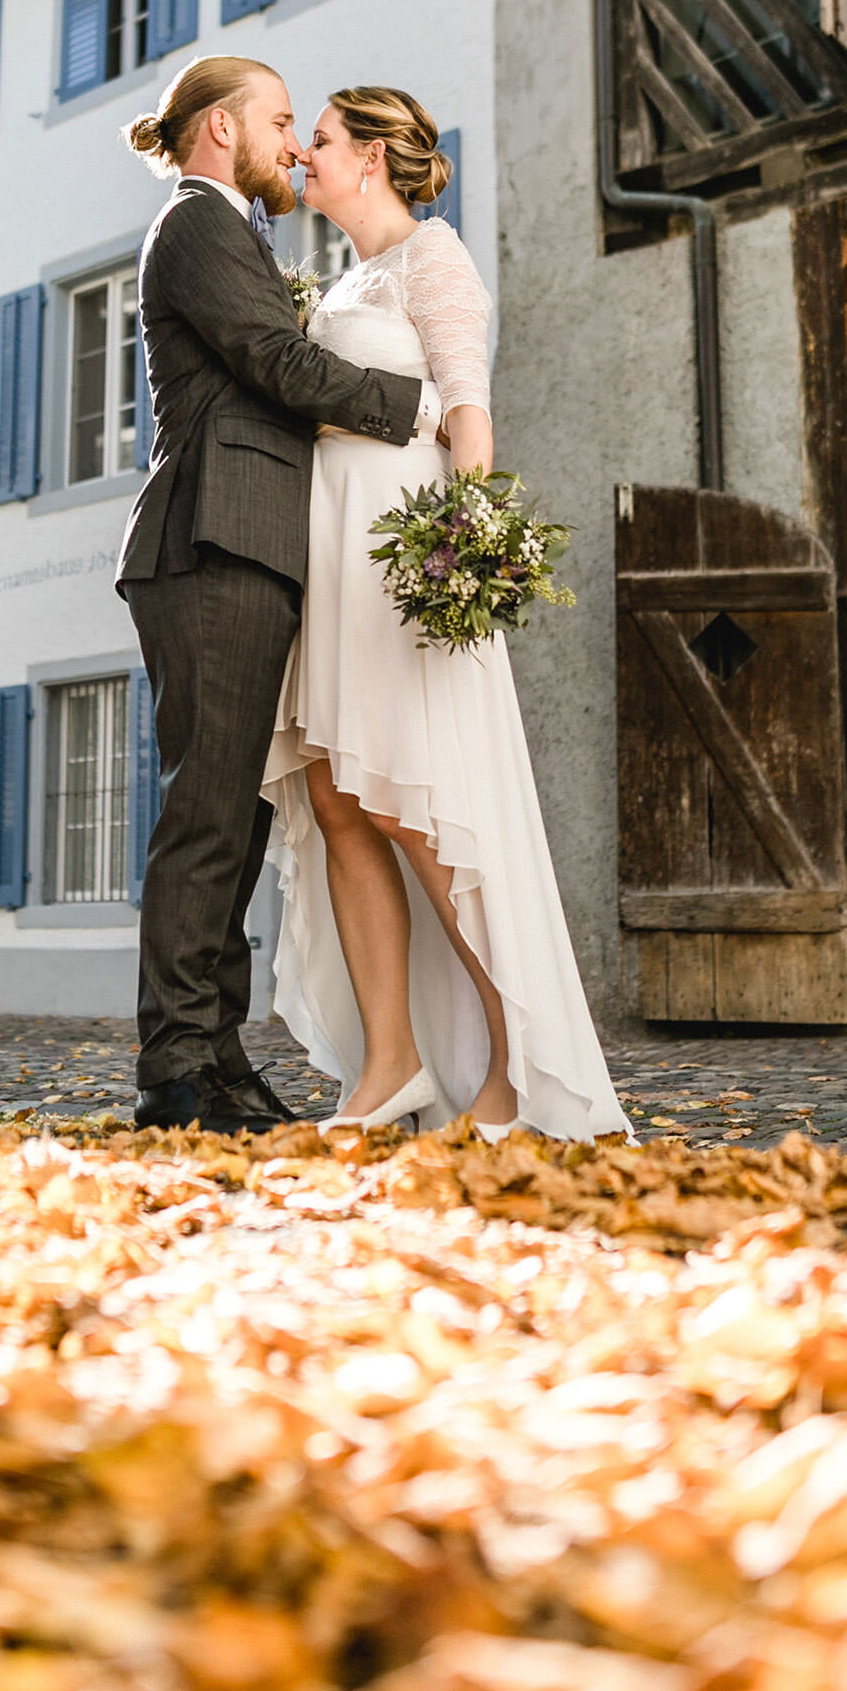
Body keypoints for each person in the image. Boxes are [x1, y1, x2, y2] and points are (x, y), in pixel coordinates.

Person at [263, 87, 629, 1140]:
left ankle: (514, 1063)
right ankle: (392, 1064)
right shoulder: (347, 279)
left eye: (319, 142)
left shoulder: (435, 262)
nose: (302, 157)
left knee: (416, 811)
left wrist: (457, 560)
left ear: (371, 156)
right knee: (338, 803)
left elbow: (470, 424)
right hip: (330, 557)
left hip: (399, 563)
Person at [118, 56, 428, 1135]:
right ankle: (175, 1074)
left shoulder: (227, 229)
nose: (294, 144)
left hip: (246, 546)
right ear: (218, 133)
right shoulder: (196, 225)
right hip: (208, 542)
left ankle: (216, 1057)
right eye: (281, 121)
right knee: (207, 818)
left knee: (235, 821)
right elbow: (274, 364)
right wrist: (418, 403)